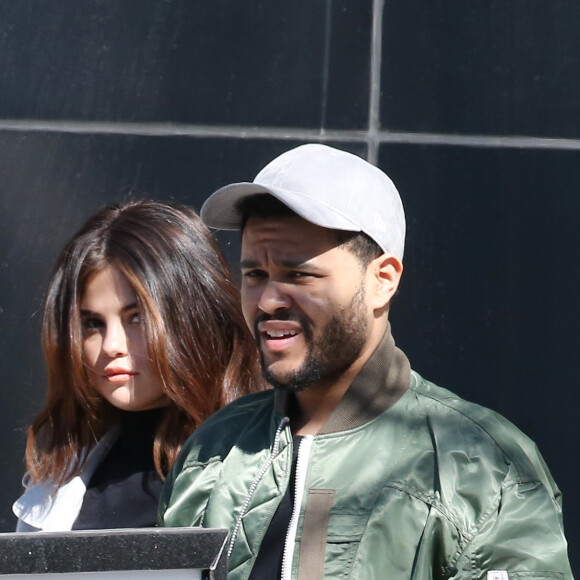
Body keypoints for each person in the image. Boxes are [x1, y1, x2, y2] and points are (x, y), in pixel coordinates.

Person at [159, 144, 573, 579]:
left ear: (382, 281)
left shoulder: (482, 465)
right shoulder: (213, 450)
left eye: (299, 274)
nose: (267, 301)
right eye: (254, 275)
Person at [13, 199, 262, 531]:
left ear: (197, 315)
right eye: (92, 324)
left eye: (137, 319)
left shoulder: (264, 455)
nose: (112, 346)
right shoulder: (60, 477)